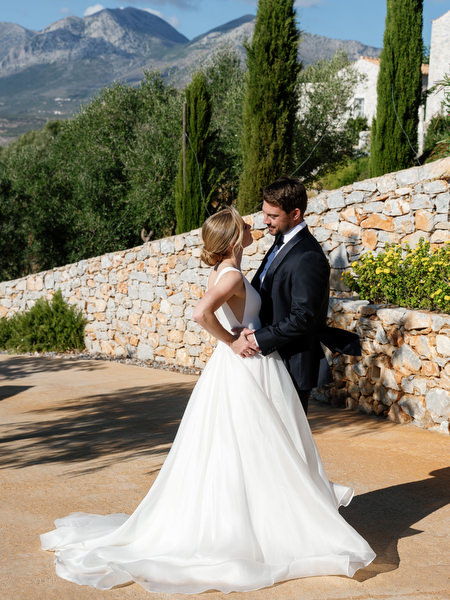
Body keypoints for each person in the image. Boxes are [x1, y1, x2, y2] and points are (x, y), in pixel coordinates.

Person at [41, 206, 375, 595]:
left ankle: (255, 517)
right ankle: (254, 525)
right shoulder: (231, 274)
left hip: (248, 368)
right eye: (246, 225)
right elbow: (201, 313)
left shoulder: (227, 270)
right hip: (244, 368)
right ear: (234, 237)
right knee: (256, 445)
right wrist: (232, 341)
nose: (254, 226)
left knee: (243, 447)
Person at [237, 176, 359, 414]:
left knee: (288, 443)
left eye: (273, 216)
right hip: (269, 360)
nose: (265, 222)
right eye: (265, 213)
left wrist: (256, 339)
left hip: (290, 363)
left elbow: (303, 318)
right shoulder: (280, 241)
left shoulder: (308, 256)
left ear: (295, 214)